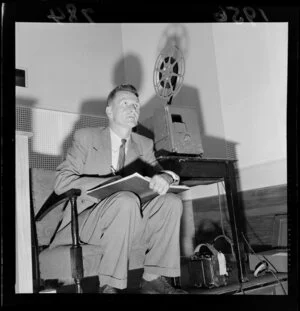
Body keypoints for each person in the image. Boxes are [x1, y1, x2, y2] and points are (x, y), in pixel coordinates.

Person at [50, 84, 187, 294]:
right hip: (88, 221)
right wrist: (110, 184)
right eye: (125, 104)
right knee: (125, 199)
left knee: (171, 202)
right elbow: (62, 182)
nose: (133, 109)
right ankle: (110, 285)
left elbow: (161, 173)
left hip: (130, 219)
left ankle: (152, 279)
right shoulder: (86, 138)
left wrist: (167, 176)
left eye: (136, 105)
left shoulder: (144, 144)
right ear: (109, 111)